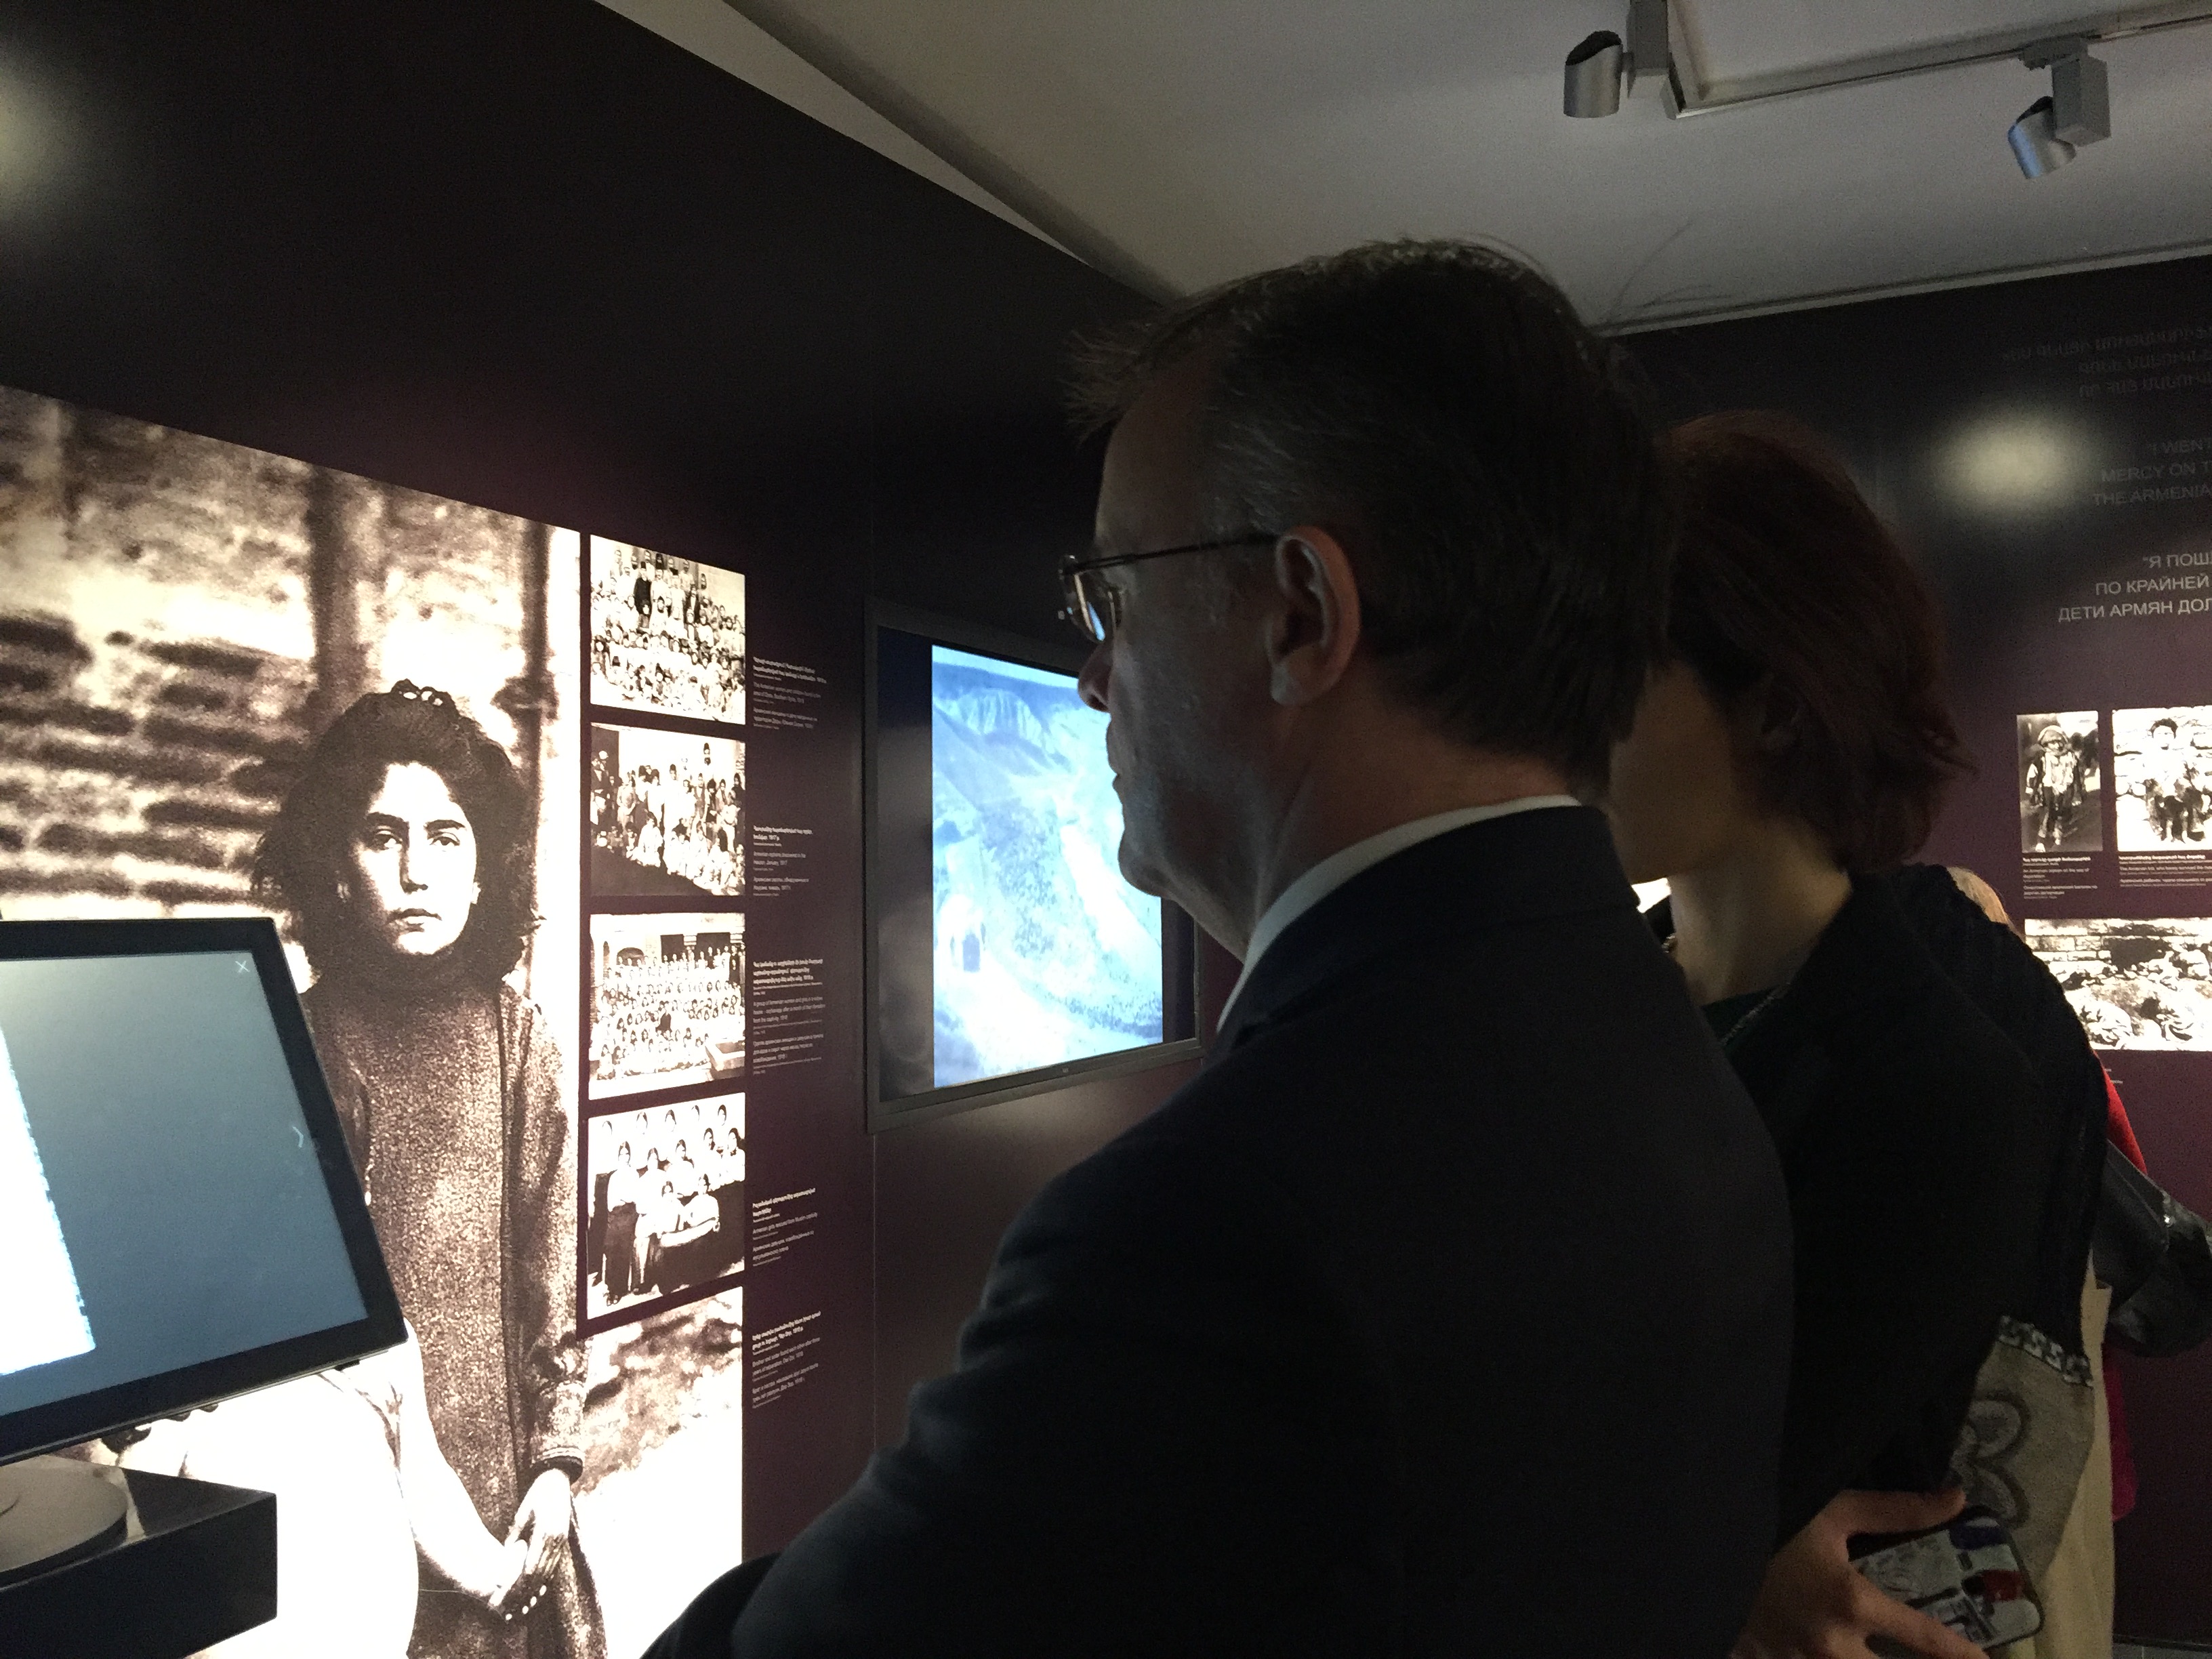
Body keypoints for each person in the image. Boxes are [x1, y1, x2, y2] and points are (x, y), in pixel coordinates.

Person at [648, 240, 1793, 1658]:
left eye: (1114, 596)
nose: (1093, 675)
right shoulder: (1653, 1037)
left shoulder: (1225, 1226)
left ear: (1301, 615)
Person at [1603, 413, 2095, 1659]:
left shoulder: (1940, 1087)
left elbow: (1732, 1485)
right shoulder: (1584, 1005)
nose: (1563, 726)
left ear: (1773, 707)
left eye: (1615, 672)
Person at [253, 680, 603, 1659]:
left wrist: (556, 1467)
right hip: (358, 1505)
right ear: (335, 864)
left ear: (485, 868)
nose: (415, 871)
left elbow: (553, 1277)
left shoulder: (517, 1042)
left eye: (447, 836)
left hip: (509, 1499)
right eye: (382, 836)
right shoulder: (296, 1046)